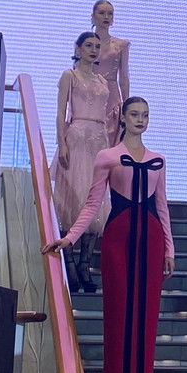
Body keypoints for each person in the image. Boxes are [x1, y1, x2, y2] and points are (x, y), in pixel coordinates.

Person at [42, 97, 175, 373]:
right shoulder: (107, 156)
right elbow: (92, 204)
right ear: (123, 118)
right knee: (117, 322)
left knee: (146, 323)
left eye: (145, 115)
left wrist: (170, 251)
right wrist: (69, 238)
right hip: (118, 240)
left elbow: (162, 208)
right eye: (135, 114)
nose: (141, 119)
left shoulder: (159, 159)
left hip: (152, 241)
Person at [51, 31, 111, 293]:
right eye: (89, 45)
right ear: (78, 48)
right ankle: (71, 265)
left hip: (99, 140)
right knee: (73, 199)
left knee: (95, 200)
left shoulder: (102, 79)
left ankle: (85, 264)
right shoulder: (70, 75)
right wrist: (62, 143)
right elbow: (60, 112)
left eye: (97, 46)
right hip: (76, 138)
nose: (94, 50)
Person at [91, 0, 130, 146]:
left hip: (112, 99)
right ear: (93, 16)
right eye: (102, 13)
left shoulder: (121, 45)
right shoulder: (83, 44)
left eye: (110, 14)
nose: (106, 17)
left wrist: (127, 107)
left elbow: (124, 78)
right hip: (89, 95)